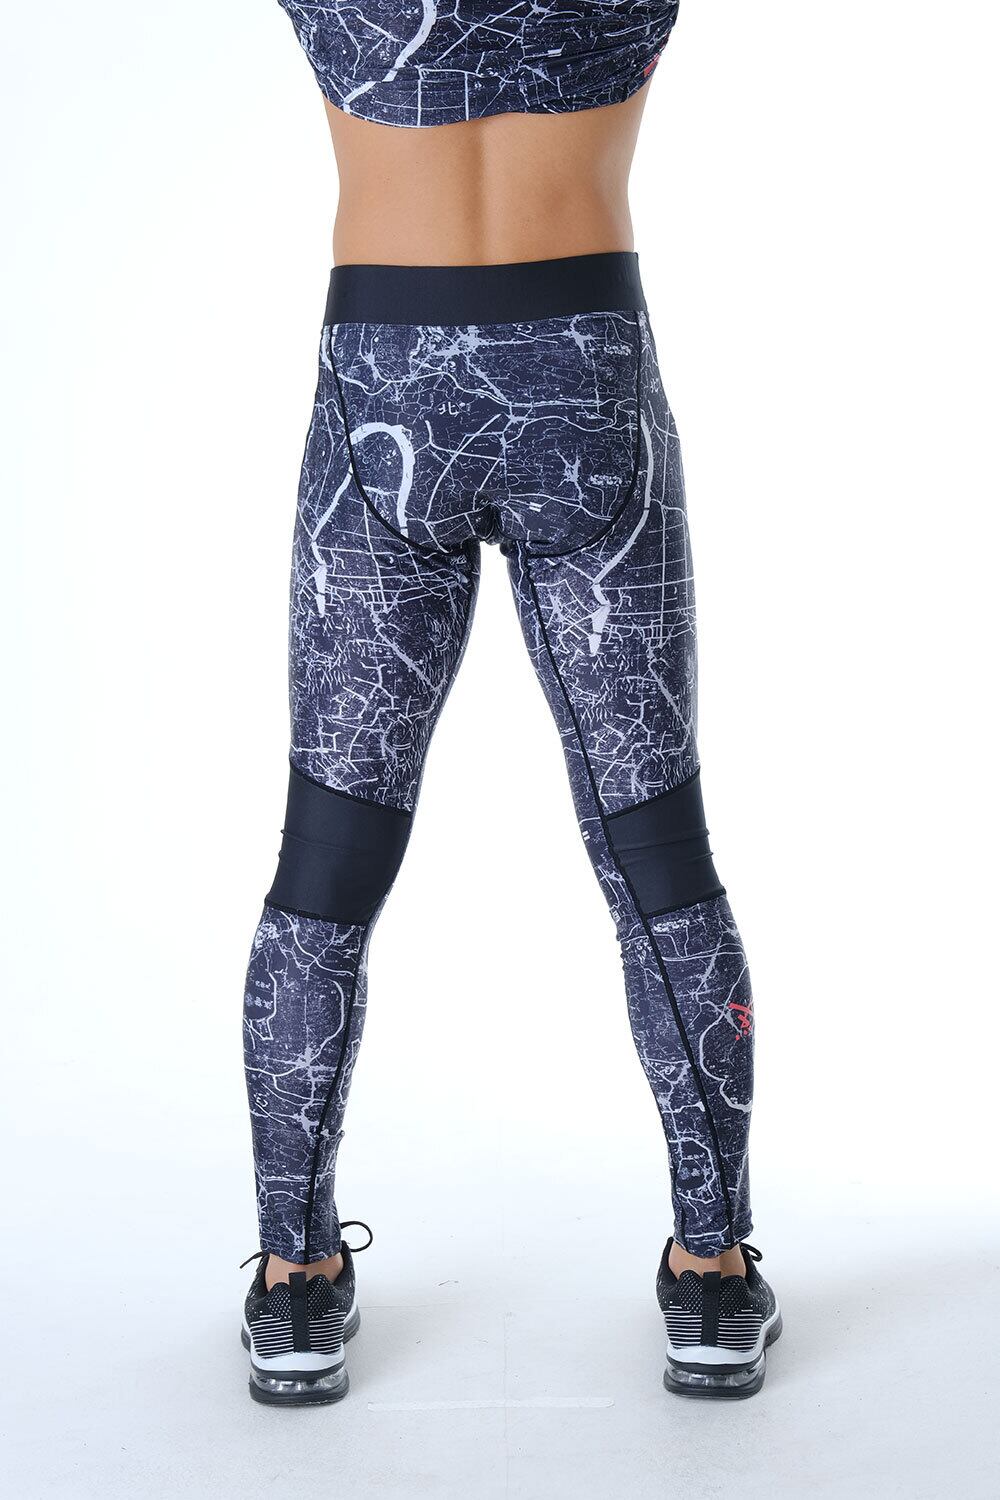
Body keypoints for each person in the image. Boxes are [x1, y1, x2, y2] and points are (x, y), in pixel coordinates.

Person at [240, 0, 781, 1406]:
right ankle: (712, 1273)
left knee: (329, 859)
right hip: (581, 377)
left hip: (389, 382)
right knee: (658, 856)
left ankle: (295, 1282)